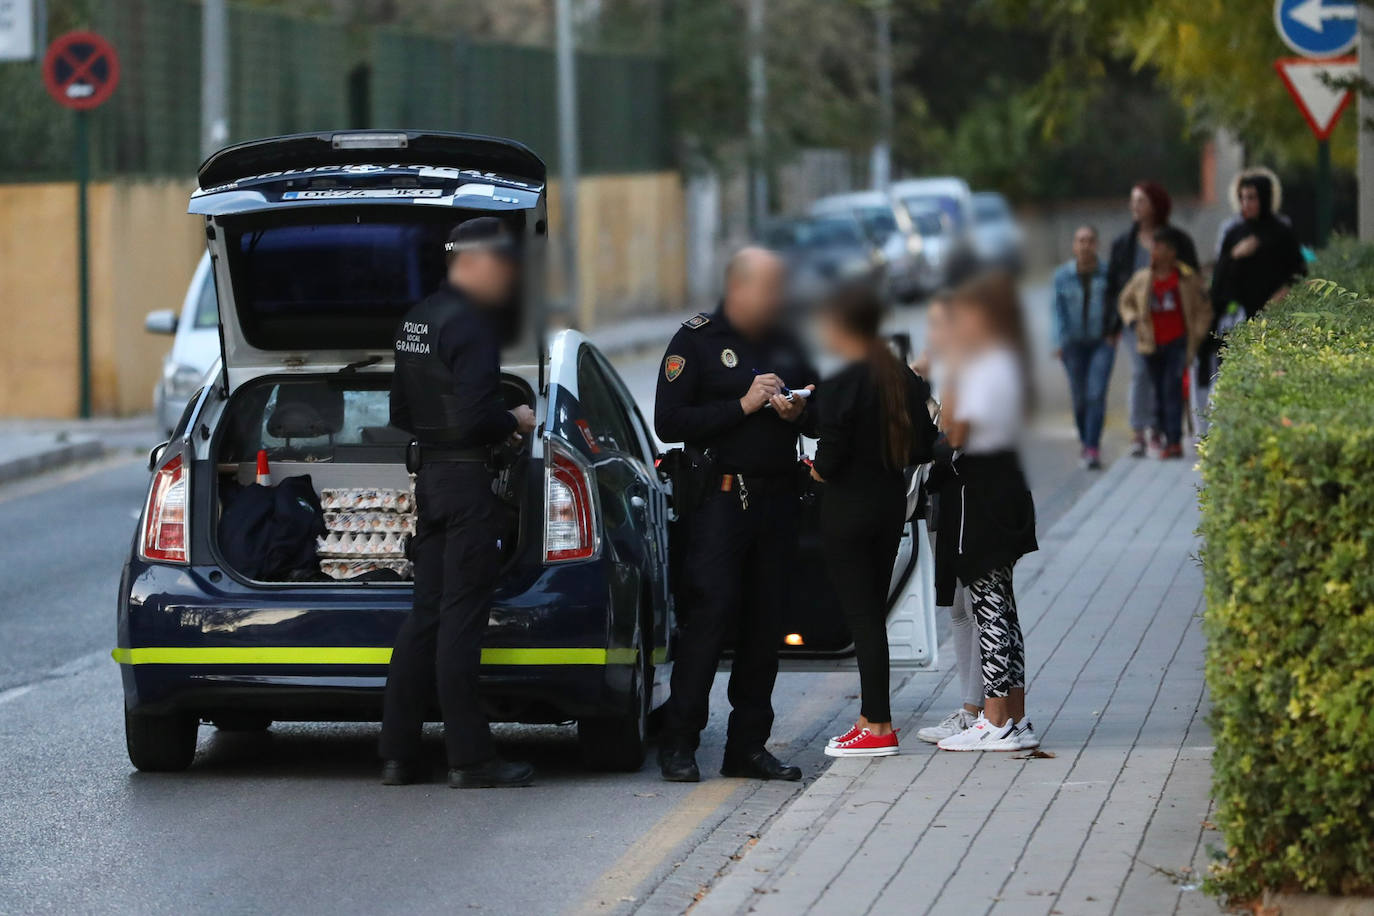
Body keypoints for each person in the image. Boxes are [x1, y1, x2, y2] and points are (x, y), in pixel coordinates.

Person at [379, 217, 538, 789]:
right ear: (474, 262)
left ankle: (398, 754)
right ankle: (471, 760)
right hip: (470, 487)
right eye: (502, 266)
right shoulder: (472, 324)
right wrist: (514, 419)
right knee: (461, 623)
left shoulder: (417, 318)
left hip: (433, 483)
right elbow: (476, 417)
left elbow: (400, 412)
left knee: (425, 616)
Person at [653, 247, 818, 783]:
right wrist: (742, 406)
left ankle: (747, 746)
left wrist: (801, 412)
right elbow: (669, 421)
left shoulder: (787, 338)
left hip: (776, 502)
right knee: (710, 620)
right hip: (721, 501)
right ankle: (679, 743)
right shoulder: (696, 339)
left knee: (765, 625)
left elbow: (819, 407)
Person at [810, 286, 936, 758]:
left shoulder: (845, 375)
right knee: (872, 617)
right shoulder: (896, 372)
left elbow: (831, 454)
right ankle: (869, 716)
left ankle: (879, 726)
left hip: (849, 509)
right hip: (887, 504)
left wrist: (817, 468)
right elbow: (924, 444)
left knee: (862, 619)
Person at [930, 273, 1040, 753]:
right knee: (1005, 608)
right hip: (1010, 491)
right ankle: (1013, 715)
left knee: (988, 607)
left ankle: (995, 720)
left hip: (983, 498)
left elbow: (954, 432)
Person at [909, 293, 987, 745]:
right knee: (959, 608)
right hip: (947, 497)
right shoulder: (937, 376)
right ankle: (970, 707)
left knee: (976, 606)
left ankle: (979, 710)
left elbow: (952, 438)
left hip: (968, 497)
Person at [1106, 182, 1199, 457]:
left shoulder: (1178, 240)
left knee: (1166, 377)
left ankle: (1160, 430)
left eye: (1141, 201)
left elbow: (1191, 276)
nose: (1135, 207)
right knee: (1141, 371)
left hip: (1171, 320)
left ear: (1156, 205)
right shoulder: (1123, 244)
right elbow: (1113, 287)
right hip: (1137, 320)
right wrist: (1112, 326)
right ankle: (1138, 432)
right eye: (1133, 201)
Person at [1118, 227, 1213, 459]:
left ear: (1171, 252)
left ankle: (1173, 440)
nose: (1155, 252)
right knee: (1157, 391)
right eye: (1154, 247)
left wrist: (1198, 333)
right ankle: (1159, 433)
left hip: (1178, 342)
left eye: (1159, 248)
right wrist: (1133, 322)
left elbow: (1204, 309)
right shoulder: (1142, 278)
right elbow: (1125, 301)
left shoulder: (1186, 278)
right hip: (1151, 344)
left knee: (1172, 389)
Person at [1051, 225, 1117, 469]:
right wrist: (1058, 340)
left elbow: (1116, 305)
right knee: (1079, 398)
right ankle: (1085, 438)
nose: (1085, 245)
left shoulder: (1108, 274)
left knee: (1096, 394)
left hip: (1101, 342)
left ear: (1096, 244)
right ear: (1074, 245)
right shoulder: (1062, 276)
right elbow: (1056, 311)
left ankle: (1092, 447)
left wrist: (1113, 332)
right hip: (1073, 344)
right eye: (1080, 240)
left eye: (1090, 240)